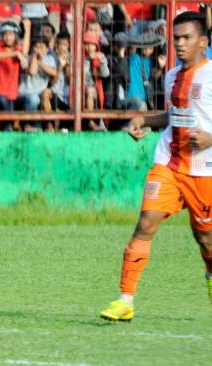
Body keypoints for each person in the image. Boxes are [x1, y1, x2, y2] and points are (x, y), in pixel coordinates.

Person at [100, 11, 212, 321]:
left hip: (204, 171)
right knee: (146, 222)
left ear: (203, 42)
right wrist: (145, 121)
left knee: (206, 241)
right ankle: (125, 301)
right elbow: (173, 114)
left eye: (187, 37)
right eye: (177, 37)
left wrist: (211, 138)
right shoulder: (172, 75)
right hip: (168, 163)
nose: (180, 43)